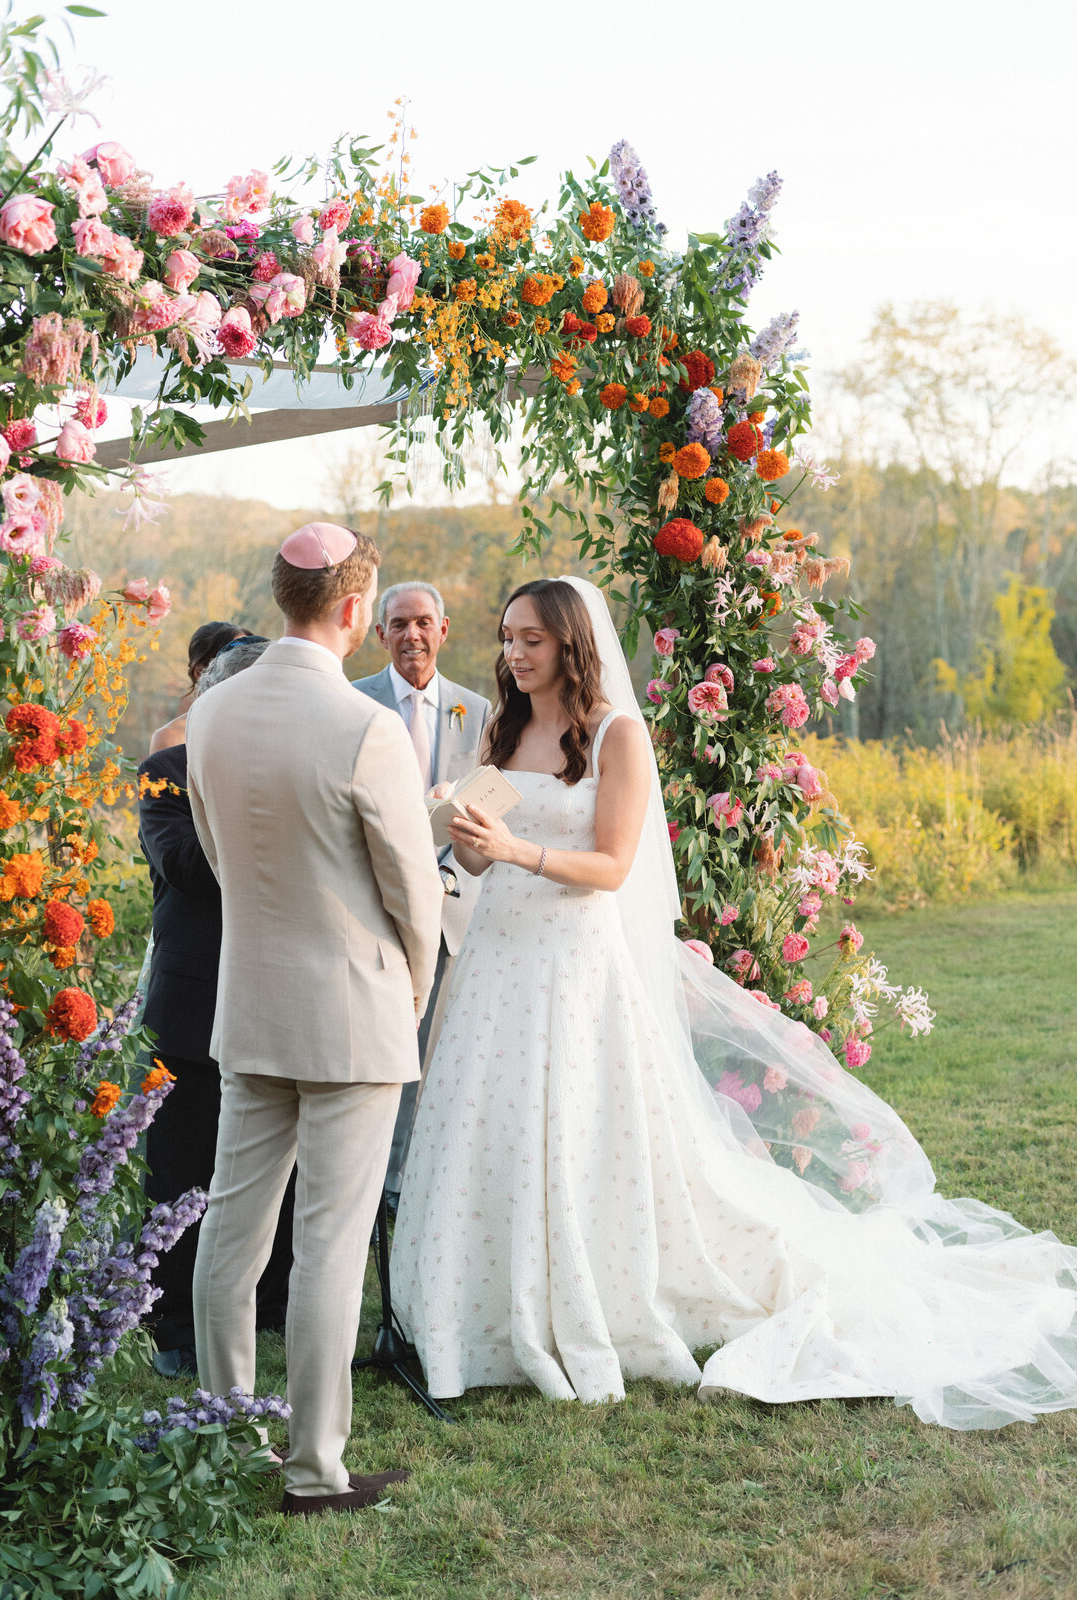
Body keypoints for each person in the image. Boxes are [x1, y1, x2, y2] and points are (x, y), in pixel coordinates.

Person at [391, 576, 1077, 1430]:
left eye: (531, 638)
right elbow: (488, 857)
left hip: (575, 966)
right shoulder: (504, 727)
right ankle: (481, 1309)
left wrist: (518, 849)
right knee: (488, 1123)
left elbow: (609, 867)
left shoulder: (617, 735)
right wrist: (474, 845)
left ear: (573, 643)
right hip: (499, 958)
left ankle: (595, 1295)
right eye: (507, 638)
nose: (513, 654)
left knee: (573, 1125)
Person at [186, 522, 441, 1516]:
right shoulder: (365, 728)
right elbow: (413, 892)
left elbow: (215, 853)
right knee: (328, 1247)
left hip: (251, 1003)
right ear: (352, 611)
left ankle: (217, 1442)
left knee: (232, 1239)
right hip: (353, 1010)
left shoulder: (210, 714)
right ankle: (311, 1470)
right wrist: (408, 988)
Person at [137, 635, 293, 1379]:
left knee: (280, 1172)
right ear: (213, 700)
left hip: (280, 995)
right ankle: (173, 1326)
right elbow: (186, 867)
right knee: (180, 1171)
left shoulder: (288, 773)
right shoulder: (166, 771)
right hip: (193, 1004)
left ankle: (270, 1308)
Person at [352, 581, 491, 1200]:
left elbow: (490, 802)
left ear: (444, 629)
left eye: (424, 622)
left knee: (447, 1059)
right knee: (385, 1056)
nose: (412, 634)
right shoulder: (351, 703)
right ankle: (382, 1188)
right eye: (399, 623)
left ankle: (431, 1186)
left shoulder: (480, 710)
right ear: (379, 634)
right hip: (377, 910)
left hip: (457, 912)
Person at [150, 621, 248, 754]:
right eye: (236, 659)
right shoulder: (171, 739)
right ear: (201, 672)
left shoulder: (258, 727)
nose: (248, 667)